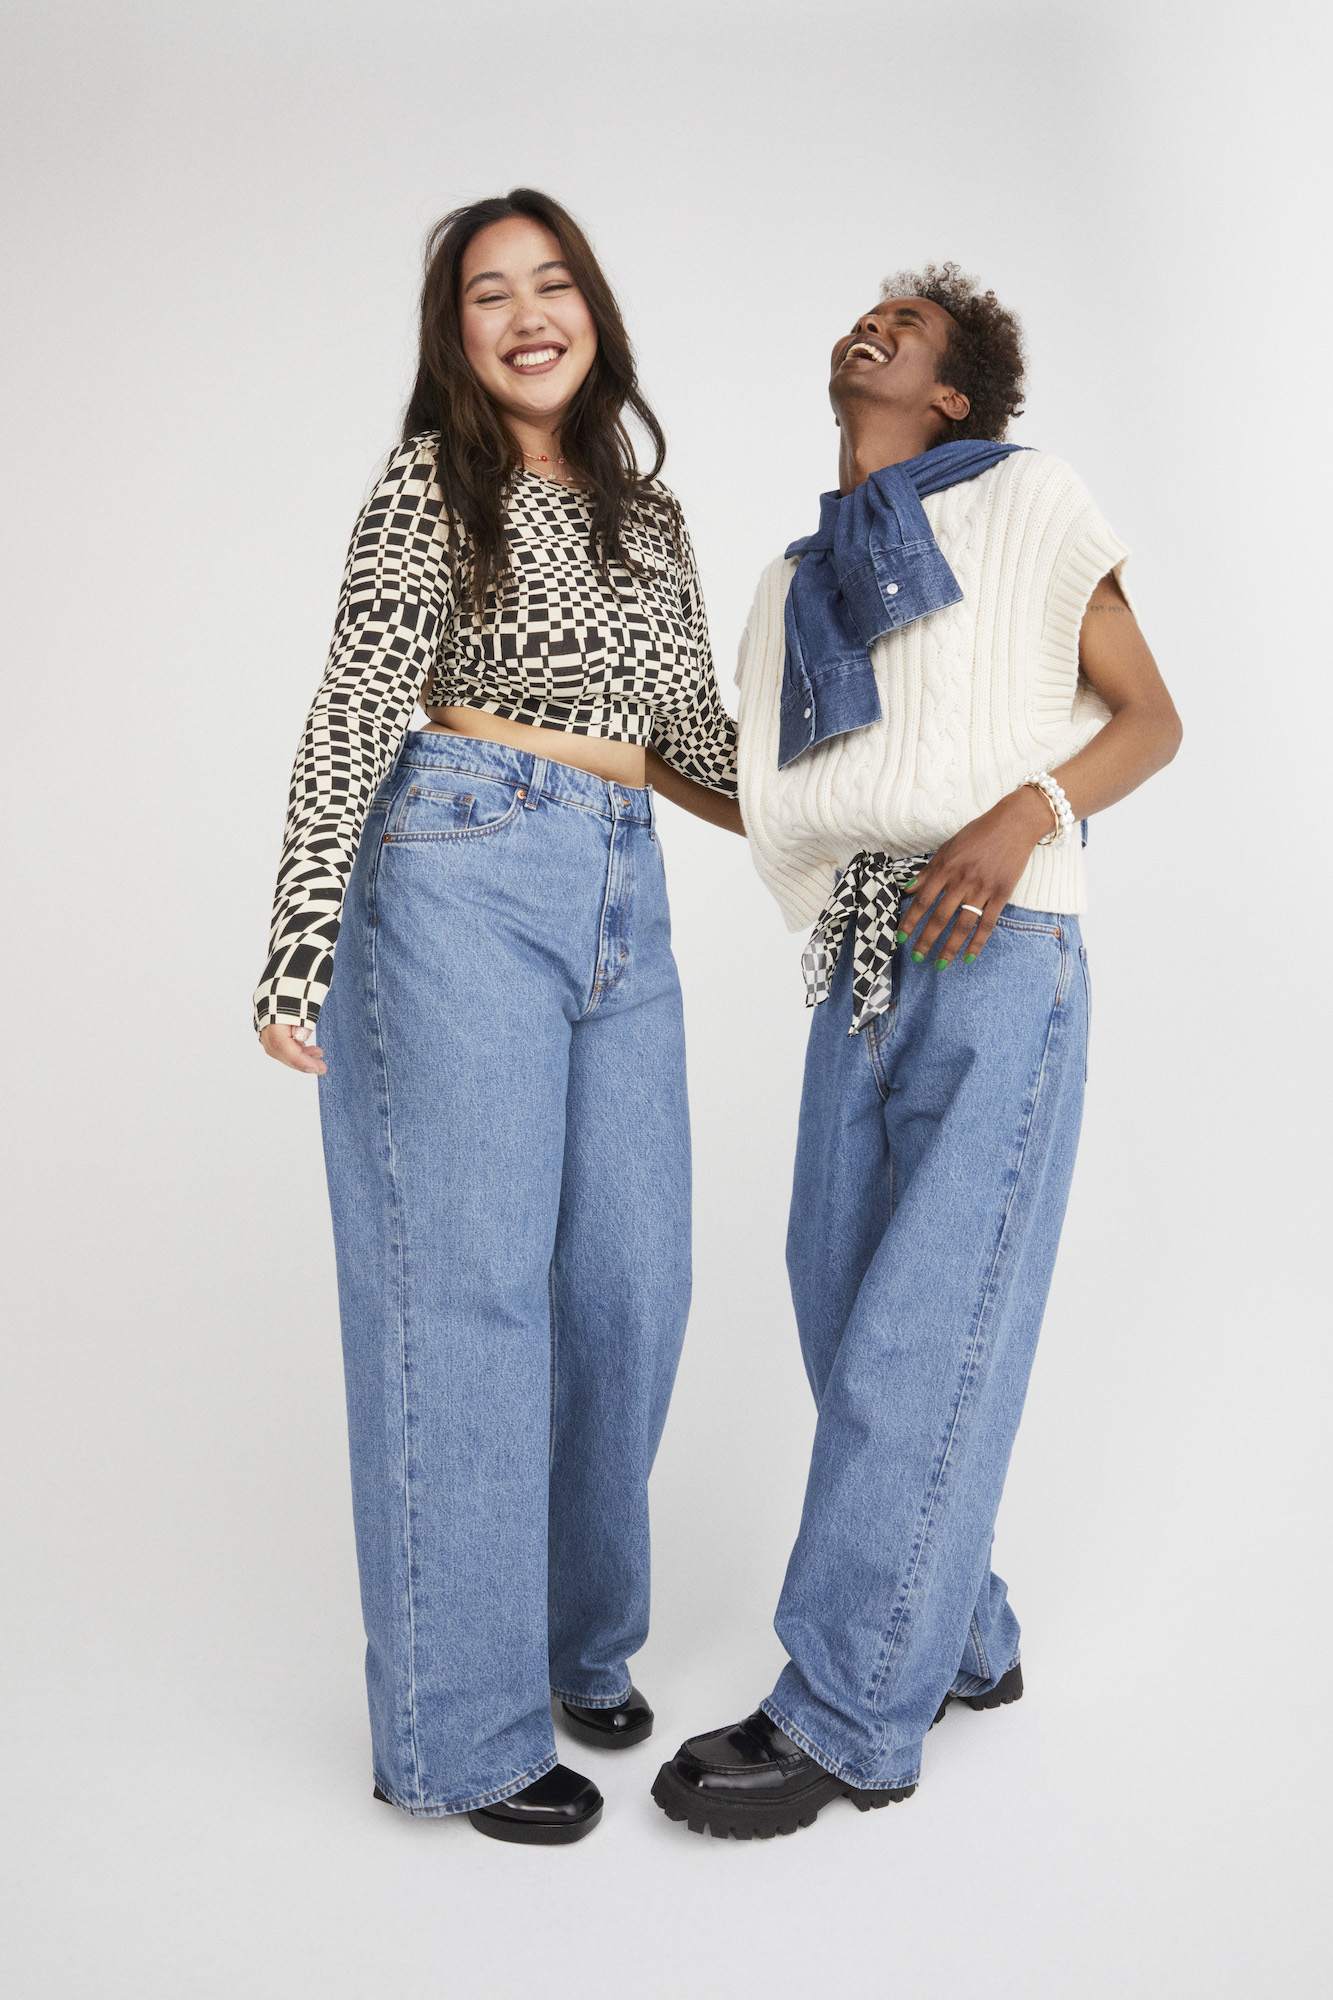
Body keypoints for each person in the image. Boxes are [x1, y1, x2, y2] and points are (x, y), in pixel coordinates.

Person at [652, 263, 1181, 1838]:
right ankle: (958, 1634)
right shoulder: (791, 585)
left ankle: (844, 1712)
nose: (870, 324)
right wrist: (613, 748)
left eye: (912, 324)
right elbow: (779, 797)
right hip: (856, 962)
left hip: (1000, 953)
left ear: (951, 394)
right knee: (844, 1316)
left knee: (919, 1338)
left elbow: (1147, 718)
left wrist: (1028, 814)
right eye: (865, 313)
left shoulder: (1028, 499)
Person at [255, 188, 742, 1845]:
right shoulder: (431, 483)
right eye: (488, 293)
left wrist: (867, 821)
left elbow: (695, 743)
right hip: (460, 864)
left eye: (552, 284)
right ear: (453, 333)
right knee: (462, 1297)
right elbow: (354, 701)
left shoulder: (651, 519)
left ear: (593, 309)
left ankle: (572, 1643)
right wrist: (298, 938)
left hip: (623, 886)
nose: (528, 314)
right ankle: (456, 1736)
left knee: (630, 1285)